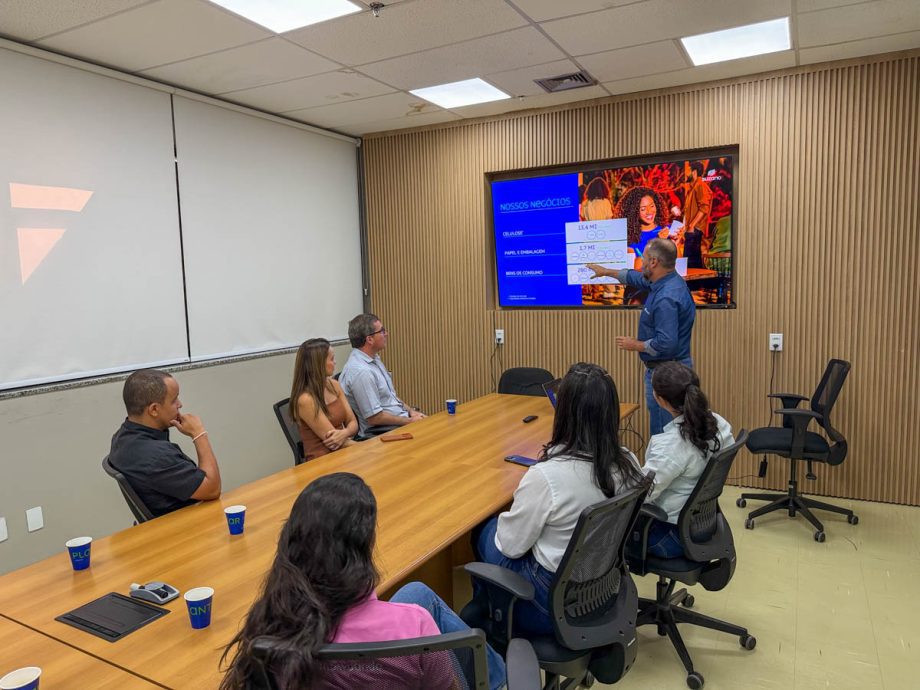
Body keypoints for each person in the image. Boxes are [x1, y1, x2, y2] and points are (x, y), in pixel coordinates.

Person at [219, 473, 506, 690]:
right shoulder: (415, 625)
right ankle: (496, 675)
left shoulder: (272, 627)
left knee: (415, 591)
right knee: (420, 599)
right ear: (364, 547)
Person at [475, 363, 647, 634]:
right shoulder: (629, 461)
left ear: (564, 413)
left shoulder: (548, 476)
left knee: (484, 530)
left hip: (549, 606)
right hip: (603, 588)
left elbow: (511, 547)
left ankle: (490, 615)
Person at [587, 238, 695, 436]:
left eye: (643, 258)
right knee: (672, 431)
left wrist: (635, 345)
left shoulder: (666, 297)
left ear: (654, 262)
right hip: (672, 368)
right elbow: (638, 278)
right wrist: (607, 272)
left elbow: (666, 343)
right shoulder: (667, 281)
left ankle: (660, 469)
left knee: (664, 434)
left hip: (666, 373)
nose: (641, 261)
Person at [640, 362, 734, 557]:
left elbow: (640, 495)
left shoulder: (670, 447)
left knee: (609, 535)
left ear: (660, 400)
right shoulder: (719, 424)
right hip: (703, 524)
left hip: (672, 536)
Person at [108, 369, 221, 518]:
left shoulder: (121, 437)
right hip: (187, 525)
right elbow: (212, 489)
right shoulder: (155, 456)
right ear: (154, 409)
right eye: (174, 400)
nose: (180, 405)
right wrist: (199, 434)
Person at [339, 313, 425, 435]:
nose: (386, 334)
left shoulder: (374, 359)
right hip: (382, 433)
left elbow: (390, 397)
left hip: (399, 422)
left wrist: (411, 411)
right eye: (382, 331)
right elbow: (375, 418)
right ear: (369, 339)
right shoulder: (361, 372)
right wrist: (409, 421)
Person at [290, 338, 358, 461]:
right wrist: (367, 448)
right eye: (331, 359)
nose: (335, 362)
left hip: (344, 453)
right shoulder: (305, 400)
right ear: (318, 364)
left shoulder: (334, 385)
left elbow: (353, 423)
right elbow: (334, 442)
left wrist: (345, 432)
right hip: (322, 461)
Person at [616, 186, 670, 260]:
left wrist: (676, 242)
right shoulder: (630, 239)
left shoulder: (666, 230)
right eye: (643, 209)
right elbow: (637, 268)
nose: (649, 212)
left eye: (652, 206)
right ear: (633, 212)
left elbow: (679, 266)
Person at [680, 161, 712, 269]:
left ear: (694, 172)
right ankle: (697, 285)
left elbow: (704, 208)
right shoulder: (692, 189)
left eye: (688, 171)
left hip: (695, 230)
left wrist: (692, 225)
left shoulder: (701, 186)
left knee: (690, 264)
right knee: (692, 262)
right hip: (691, 230)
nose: (686, 174)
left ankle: (694, 285)